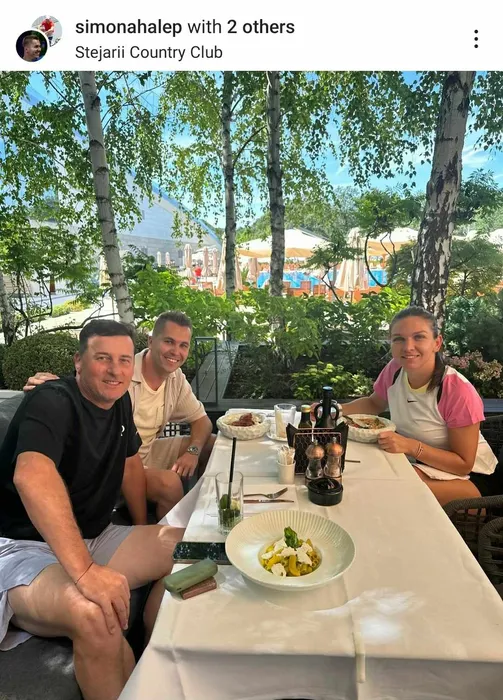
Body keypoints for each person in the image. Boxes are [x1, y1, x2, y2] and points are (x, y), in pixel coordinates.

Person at [0, 320, 184, 699]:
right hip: (21, 548)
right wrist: (85, 571)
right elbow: (31, 475)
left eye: (123, 360)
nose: (115, 370)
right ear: (78, 362)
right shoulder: (52, 400)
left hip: (95, 536)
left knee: (192, 549)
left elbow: (131, 467)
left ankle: (153, 656)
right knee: (96, 614)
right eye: (103, 358)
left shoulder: (121, 402)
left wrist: (142, 525)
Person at [24, 311, 215, 520]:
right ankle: (162, 536)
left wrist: (193, 451)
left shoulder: (175, 378)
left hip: (147, 452)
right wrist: (53, 385)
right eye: (169, 341)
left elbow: (202, 420)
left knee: (211, 443)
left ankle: (206, 514)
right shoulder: (121, 378)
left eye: (183, 345)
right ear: (151, 341)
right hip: (117, 463)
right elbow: (87, 385)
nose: (175, 351)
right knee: (169, 484)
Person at [341, 306, 500, 506]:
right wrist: (331, 409)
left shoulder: (457, 391)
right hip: (419, 463)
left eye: (419, 337)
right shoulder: (395, 369)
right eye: (399, 339)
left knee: (385, 491)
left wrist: (410, 446)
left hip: (474, 480)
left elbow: (463, 465)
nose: (408, 347)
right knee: (364, 475)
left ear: (437, 343)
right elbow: (373, 403)